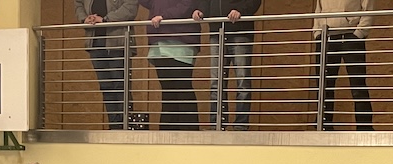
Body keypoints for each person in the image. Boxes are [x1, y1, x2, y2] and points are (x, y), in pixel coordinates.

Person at [76, 0, 139, 130]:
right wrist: (84, 18)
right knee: (106, 87)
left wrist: (105, 19)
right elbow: (78, 3)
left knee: (120, 86)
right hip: (96, 42)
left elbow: (131, 7)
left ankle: (126, 126)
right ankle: (114, 125)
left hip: (118, 41)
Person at [199, 0, 260, 130]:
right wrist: (201, 10)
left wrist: (240, 10)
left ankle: (240, 125)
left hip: (240, 32)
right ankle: (216, 125)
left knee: (242, 81)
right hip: (217, 33)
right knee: (216, 82)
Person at [145, 0, 204, 131]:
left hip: (180, 37)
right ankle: (168, 131)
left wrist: (164, 16)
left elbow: (187, 4)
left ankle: (188, 131)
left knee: (182, 86)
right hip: (159, 38)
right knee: (167, 89)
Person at [314, 0, 373, 131]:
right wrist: (318, 34)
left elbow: (368, 10)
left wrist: (359, 34)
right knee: (324, 84)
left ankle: (364, 127)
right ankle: (324, 126)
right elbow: (318, 10)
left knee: (358, 84)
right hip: (326, 36)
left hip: (351, 36)